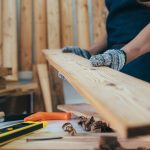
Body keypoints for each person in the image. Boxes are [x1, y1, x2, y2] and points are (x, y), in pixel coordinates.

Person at [62, 0, 150, 82]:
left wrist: (123, 55)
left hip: (142, 57)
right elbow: (116, 25)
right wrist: (89, 52)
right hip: (114, 56)